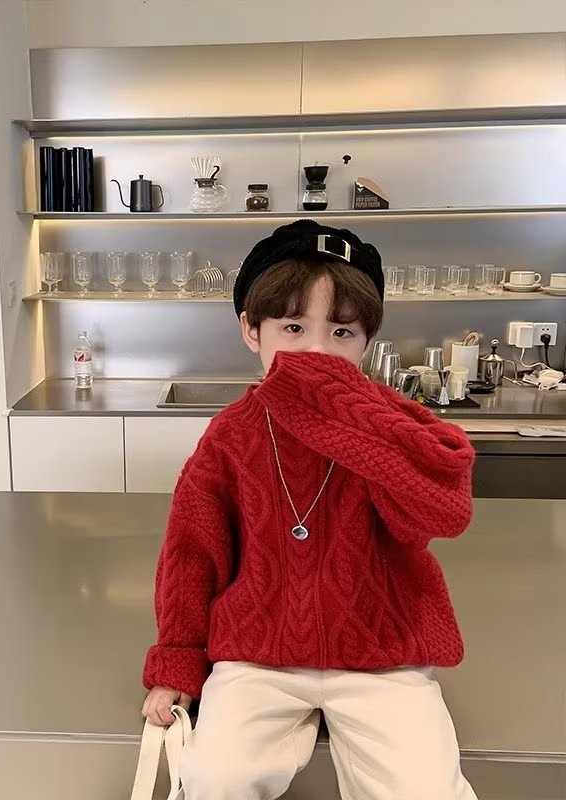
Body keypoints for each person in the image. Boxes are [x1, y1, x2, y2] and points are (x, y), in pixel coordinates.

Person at [141, 220, 478, 800]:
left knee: (425, 789)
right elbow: (192, 553)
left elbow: (441, 514)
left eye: (342, 331)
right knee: (217, 777)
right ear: (252, 330)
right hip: (258, 651)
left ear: (366, 342)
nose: (317, 350)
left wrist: (358, 420)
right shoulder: (232, 436)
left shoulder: (382, 422)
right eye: (293, 328)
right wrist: (177, 659)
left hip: (380, 650)